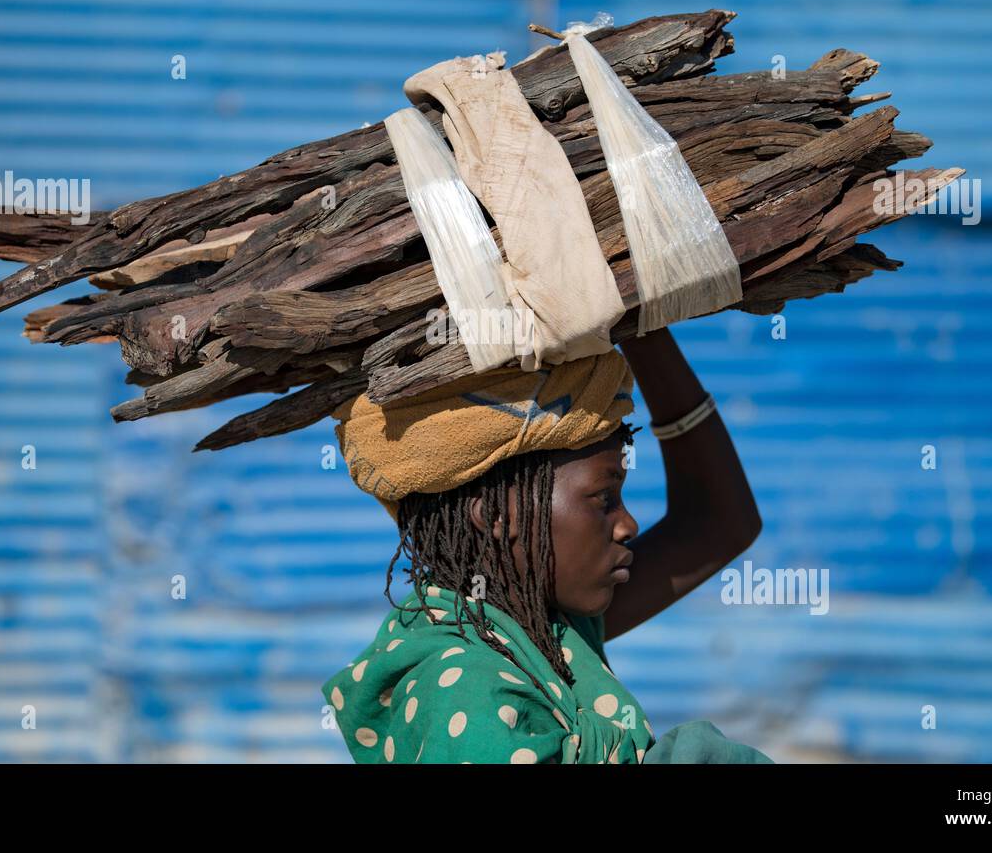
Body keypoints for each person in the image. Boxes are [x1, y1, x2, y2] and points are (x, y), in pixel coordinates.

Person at [321, 326, 769, 763]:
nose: (627, 524)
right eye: (604, 498)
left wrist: (638, 321)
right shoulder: (466, 688)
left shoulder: (539, 631)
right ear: (497, 517)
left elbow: (718, 523)